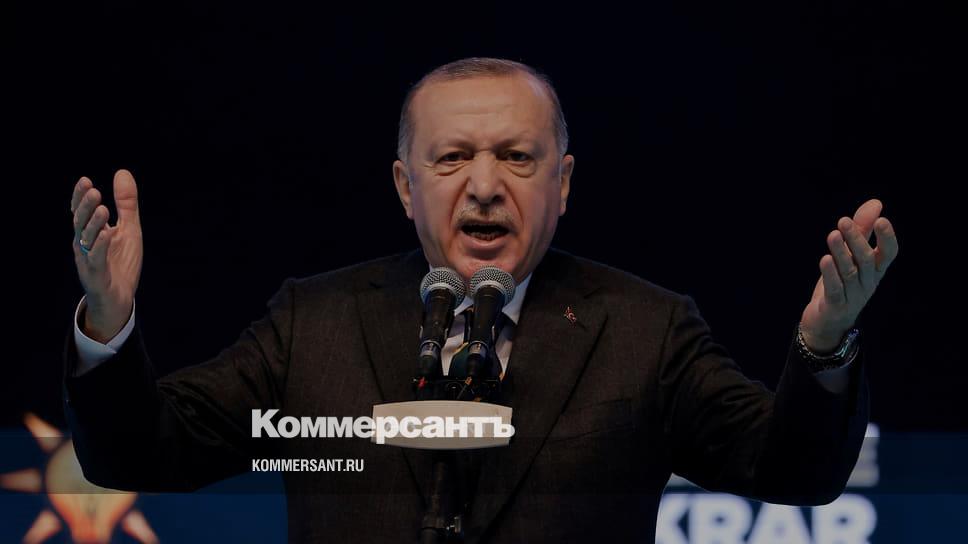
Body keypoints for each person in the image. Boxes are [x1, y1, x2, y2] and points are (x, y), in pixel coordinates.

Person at [64, 57, 899, 542]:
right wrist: (107, 322)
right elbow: (141, 455)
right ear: (406, 186)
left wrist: (824, 342)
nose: (487, 185)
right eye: (453, 156)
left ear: (563, 183)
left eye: (518, 157)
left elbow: (792, 471)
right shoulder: (312, 322)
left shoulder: (647, 330)